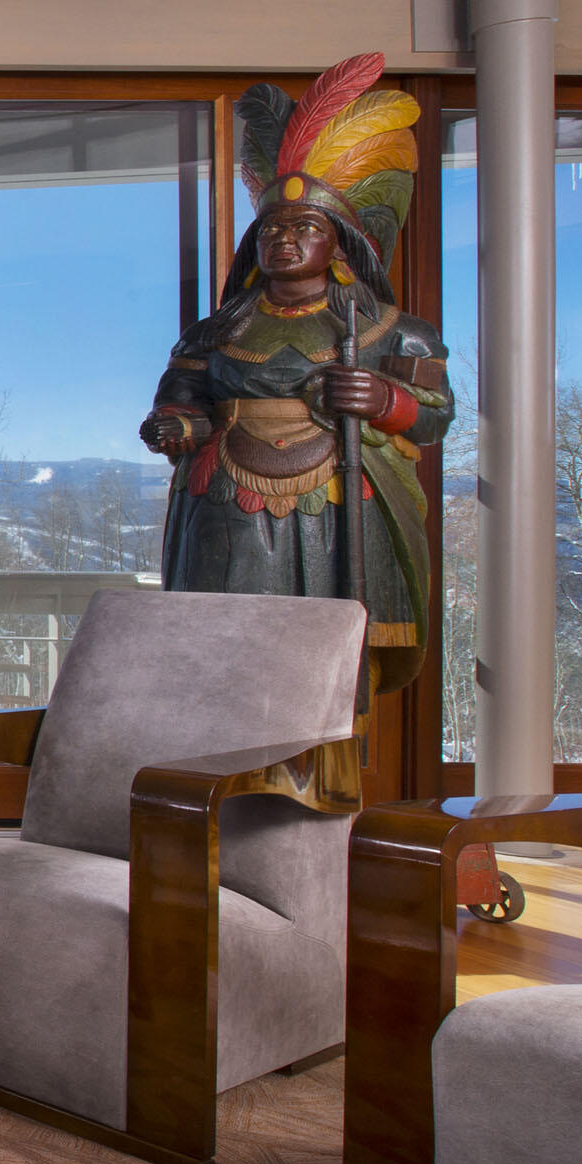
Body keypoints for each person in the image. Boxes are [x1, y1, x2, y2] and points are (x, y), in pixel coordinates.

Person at [139, 53, 451, 692]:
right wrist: (175, 423)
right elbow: (180, 399)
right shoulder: (213, 332)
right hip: (226, 501)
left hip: (340, 502)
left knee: (329, 663)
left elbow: (434, 416)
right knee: (224, 657)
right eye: (270, 229)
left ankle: (323, 774)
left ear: (339, 243)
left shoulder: (392, 330)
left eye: (305, 226)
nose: (283, 238)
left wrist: (384, 398)